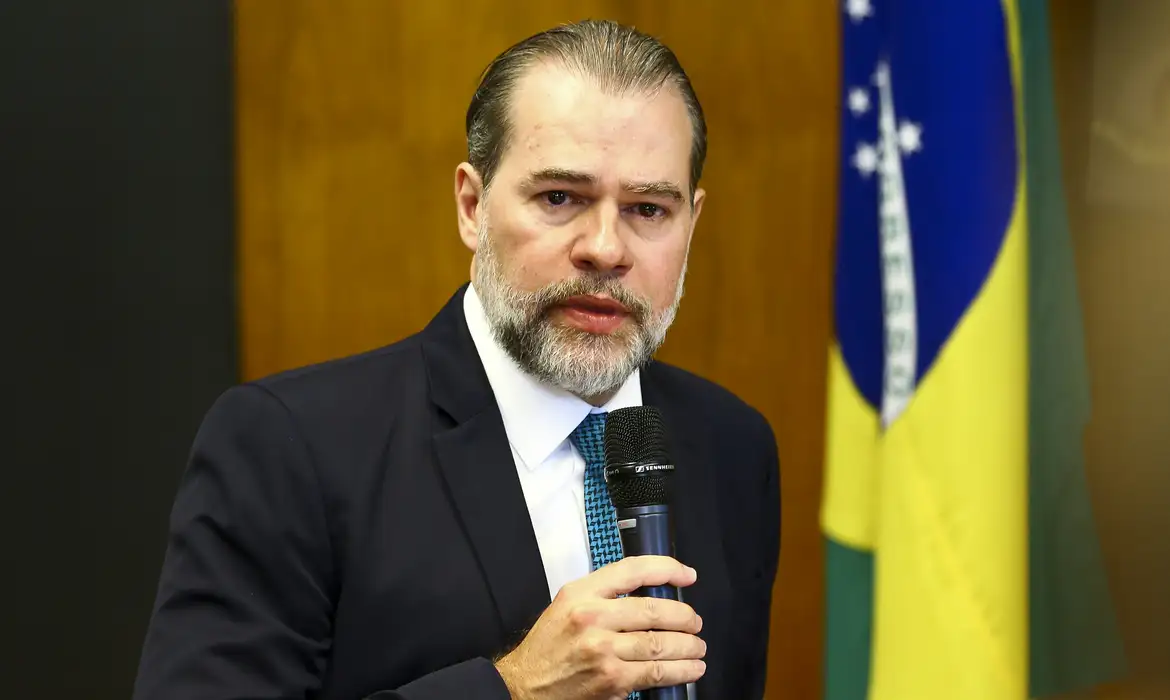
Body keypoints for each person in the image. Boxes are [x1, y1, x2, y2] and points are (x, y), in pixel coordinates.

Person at [132, 19, 780, 700]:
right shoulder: (290, 447)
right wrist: (514, 689)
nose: (605, 248)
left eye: (649, 209)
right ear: (472, 206)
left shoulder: (731, 446)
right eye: (561, 198)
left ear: (692, 224)